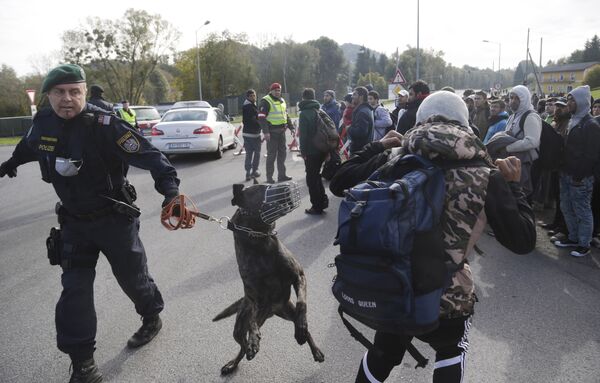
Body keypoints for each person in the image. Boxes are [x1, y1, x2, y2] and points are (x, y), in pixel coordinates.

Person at [329, 91, 536, 383]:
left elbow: (339, 182)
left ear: (420, 120)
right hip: (448, 291)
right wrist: (515, 187)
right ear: (465, 125)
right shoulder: (486, 173)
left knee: (383, 353)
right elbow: (523, 241)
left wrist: (377, 145)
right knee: (451, 350)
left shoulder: (395, 156)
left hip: (395, 283)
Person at [0, 64, 180, 383]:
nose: (66, 99)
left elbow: (152, 157)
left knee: (133, 279)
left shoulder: (106, 125)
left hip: (114, 220)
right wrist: (10, 164)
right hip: (74, 224)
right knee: (75, 292)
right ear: (48, 96)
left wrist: (170, 192)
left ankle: (151, 316)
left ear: (84, 92)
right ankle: (83, 363)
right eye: (59, 92)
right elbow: (30, 146)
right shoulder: (42, 122)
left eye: (74, 92)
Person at [553, 85, 600, 257]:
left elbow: (591, 155)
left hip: (580, 177)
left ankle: (584, 244)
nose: (569, 102)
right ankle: (573, 237)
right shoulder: (573, 120)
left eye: (572, 99)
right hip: (566, 173)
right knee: (567, 207)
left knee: (582, 210)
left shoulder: (590, 125)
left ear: (581, 101)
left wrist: (580, 176)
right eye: (568, 99)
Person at [503, 85, 542, 196]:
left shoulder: (530, 116)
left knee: (523, 196)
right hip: (513, 161)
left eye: (517, 98)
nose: (513, 101)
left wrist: (507, 147)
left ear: (524, 99)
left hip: (527, 164)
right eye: (511, 98)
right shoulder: (512, 116)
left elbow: (532, 141)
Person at [298, 88, 329, 215]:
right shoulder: (320, 110)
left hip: (311, 151)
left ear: (303, 98)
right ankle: (323, 201)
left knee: (311, 179)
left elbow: (303, 136)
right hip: (322, 148)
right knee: (317, 176)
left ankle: (316, 206)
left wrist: (303, 152)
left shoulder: (304, 113)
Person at [258, 83, 294, 183]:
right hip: (271, 133)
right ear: (271, 91)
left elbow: (285, 115)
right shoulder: (266, 101)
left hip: (282, 132)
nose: (277, 92)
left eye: (279, 90)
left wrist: (291, 127)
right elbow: (261, 117)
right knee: (271, 156)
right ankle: (269, 178)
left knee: (282, 155)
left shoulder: (282, 100)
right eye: (275, 90)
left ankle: (282, 175)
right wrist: (265, 132)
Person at [347, 86, 374, 154]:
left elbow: (361, 132)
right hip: (362, 150)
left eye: (354, 94)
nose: (352, 97)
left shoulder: (362, 112)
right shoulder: (364, 110)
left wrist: (349, 128)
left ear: (361, 96)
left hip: (359, 152)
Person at [242, 89, 261, 180]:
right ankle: (253, 171)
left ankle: (248, 173)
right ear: (248, 97)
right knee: (256, 153)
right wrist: (261, 125)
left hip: (248, 134)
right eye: (252, 96)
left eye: (254, 95)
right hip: (252, 135)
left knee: (249, 154)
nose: (254, 97)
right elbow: (254, 120)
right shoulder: (250, 107)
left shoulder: (247, 106)